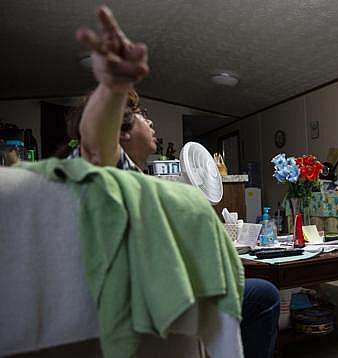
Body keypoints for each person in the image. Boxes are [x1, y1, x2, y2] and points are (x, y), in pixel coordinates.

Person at [71, 5, 279, 358]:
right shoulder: (105, 167)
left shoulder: (136, 175)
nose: (151, 124)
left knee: (252, 287)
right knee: (262, 295)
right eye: (141, 116)